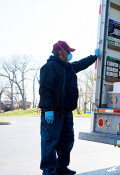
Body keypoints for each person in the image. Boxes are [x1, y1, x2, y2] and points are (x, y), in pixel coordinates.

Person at [39, 40, 99, 175]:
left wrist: (94, 57)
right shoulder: (49, 67)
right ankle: (49, 171)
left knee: (67, 142)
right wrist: (48, 110)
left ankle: (61, 168)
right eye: (69, 52)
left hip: (66, 113)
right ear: (60, 52)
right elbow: (45, 90)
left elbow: (81, 64)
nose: (70, 54)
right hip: (53, 113)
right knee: (50, 143)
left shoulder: (68, 67)